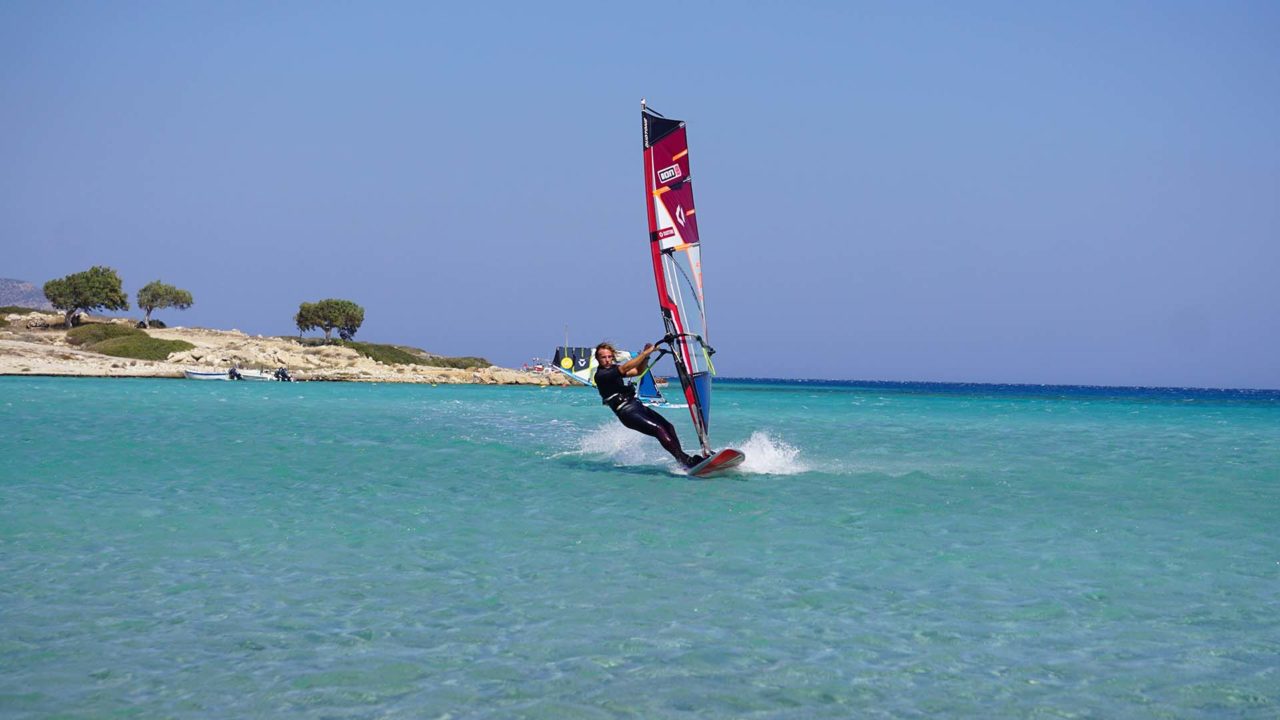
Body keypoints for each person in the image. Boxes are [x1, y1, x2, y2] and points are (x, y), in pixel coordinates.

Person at [593, 341, 706, 469]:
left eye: (609, 357)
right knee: (659, 429)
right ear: (597, 359)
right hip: (626, 412)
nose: (607, 360)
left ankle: (683, 459)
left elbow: (638, 370)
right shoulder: (601, 375)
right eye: (603, 357)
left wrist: (646, 356)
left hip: (636, 406)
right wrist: (646, 352)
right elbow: (625, 368)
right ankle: (685, 461)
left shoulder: (613, 369)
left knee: (669, 427)